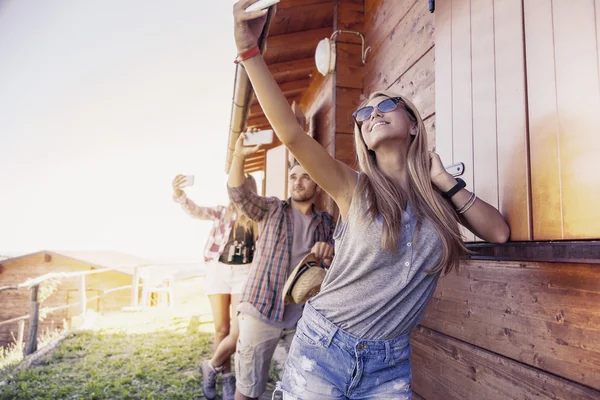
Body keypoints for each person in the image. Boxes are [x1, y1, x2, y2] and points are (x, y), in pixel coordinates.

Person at [231, 2, 511, 399]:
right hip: (323, 348)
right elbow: (293, 135)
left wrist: (445, 181)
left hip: (390, 364)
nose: (372, 114)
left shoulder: (440, 200)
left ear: (413, 123)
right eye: (363, 112)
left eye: (385, 106)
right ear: (362, 136)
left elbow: (498, 232)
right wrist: (248, 51)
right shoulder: (354, 187)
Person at [227, 132, 335, 400]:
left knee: (302, 388)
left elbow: (337, 268)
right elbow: (238, 194)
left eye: (305, 177)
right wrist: (238, 156)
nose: (297, 182)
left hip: (301, 318)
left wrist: (329, 255)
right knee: (248, 389)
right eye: (293, 177)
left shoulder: (327, 223)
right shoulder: (272, 209)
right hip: (260, 310)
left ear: (317, 185)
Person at [172, 174, 258, 400]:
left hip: (244, 274)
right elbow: (196, 211)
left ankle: (211, 366)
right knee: (221, 329)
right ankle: (227, 379)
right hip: (218, 271)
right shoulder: (222, 212)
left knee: (237, 332)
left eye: (243, 188)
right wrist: (180, 195)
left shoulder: (258, 216)